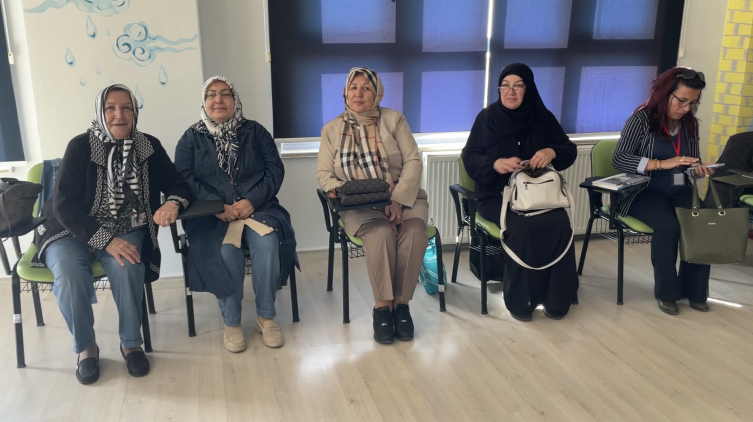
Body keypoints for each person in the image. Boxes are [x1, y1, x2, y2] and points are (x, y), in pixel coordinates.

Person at [33, 84, 193, 384]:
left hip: (126, 226)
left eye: (126, 107)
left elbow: (178, 184)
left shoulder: (149, 146)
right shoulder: (80, 147)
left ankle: (130, 343)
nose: (119, 115)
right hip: (69, 230)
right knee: (69, 276)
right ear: (100, 112)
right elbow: (63, 205)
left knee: (129, 266)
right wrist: (104, 240)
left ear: (135, 112)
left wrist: (172, 203)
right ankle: (86, 348)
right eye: (110, 108)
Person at [175, 76, 297, 352]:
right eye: (211, 94)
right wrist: (216, 205)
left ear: (235, 100)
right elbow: (183, 178)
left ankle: (265, 317)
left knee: (267, 243)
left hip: (258, 210)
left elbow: (274, 170)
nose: (218, 99)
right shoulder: (191, 138)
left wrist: (252, 200)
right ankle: (231, 322)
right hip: (211, 217)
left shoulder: (256, 132)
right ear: (204, 101)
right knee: (226, 252)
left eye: (225, 93)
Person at [317, 67, 429, 344]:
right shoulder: (331, 129)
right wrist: (340, 189)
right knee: (381, 233)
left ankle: (401, 306)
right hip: (359, 204)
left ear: (377, 94)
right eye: (353, 87)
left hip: (403, 197)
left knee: (414, 234)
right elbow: (324, 173)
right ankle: (382, 308)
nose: (359, 93)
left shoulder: (394, 120)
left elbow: (413, 161)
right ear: (345, 93)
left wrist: (397, 200)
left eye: (366, 88)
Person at [461, 63, 579, 322]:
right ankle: (522, 301)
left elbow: (569, 149)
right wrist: (494, 164)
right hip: (496, 196)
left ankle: (556, 299)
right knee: (522, 227)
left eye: (518, 86)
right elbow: (468, 157)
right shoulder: (487, 118)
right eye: (505, 86)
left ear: (529, 89)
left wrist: (552, 151)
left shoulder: (542, 118)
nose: (510, 92)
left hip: (538, 195)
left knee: (559, 222)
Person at [613, 67, 713, 315]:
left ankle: (695, 291)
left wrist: (699, 169)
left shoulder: (690, 124)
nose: (686, 108)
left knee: (702, 221)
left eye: (693, 103)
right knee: (667, 226)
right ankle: (667, 293)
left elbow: (691, 161)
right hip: (642, 190)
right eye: (682, 101)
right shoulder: (641, 119)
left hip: (678, 187)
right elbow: (620, 158)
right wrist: (660, 164)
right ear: (666, 93)